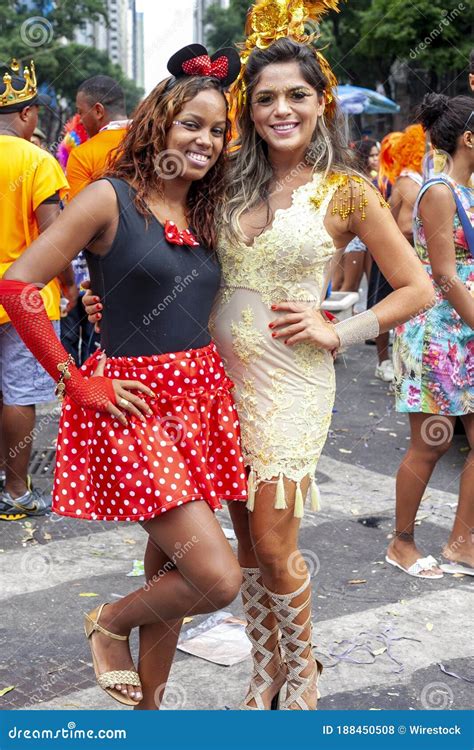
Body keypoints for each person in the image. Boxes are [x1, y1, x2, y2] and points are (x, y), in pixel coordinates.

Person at [85, 1, 432, 711]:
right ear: (251, 107)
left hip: (292, 382)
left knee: (273, 543)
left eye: (297, 96)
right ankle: (263, 670)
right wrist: (106, 306)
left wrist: (343, 329)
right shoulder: (224, 180)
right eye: (267, 96)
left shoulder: (348, 190)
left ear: (319, 102)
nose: (282, 109)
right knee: (242, 548)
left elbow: (418, 286)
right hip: (211, 383)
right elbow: (156, 239)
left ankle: (301, 670)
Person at [0, 44, 247, 707]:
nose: (207, 139)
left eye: (218, 129)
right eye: (192, 123)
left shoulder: (202, 209)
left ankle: (150, 709)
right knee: (216, 578)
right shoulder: (108, 197)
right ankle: (108, 624)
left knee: (171, 565)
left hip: (202, 403)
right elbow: (19, 285)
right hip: (135, 407)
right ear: (158, 125)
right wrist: (75, 380)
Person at [389, 93, 474, 579]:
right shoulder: (439, 192)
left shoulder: (468, 190)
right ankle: (401, 541)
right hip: (437, 330)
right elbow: (443, 275)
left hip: (466, 327)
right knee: (433, 442)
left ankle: (461, 543)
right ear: (468, 139)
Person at [0, 58, 75, 518]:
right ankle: (15, 492)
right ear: (28, 114)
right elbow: (55, 241)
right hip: (24, 301)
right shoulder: (36, 160)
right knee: (19, 395)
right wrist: (68, 286)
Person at [61, 77, 129, 366]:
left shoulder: (84, 155)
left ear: (98, 111)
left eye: (81, 111)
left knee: (107, 355)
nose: (79, 119)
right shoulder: (157, 140)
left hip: (108, 273)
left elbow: (80, 225)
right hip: (166, 263)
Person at [367, 125, 425, 383]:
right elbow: (404, 227)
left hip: (390, 254)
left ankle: (390, 362)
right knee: (388, 309)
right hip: (396, 256)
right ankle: (386, 362)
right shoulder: (412, 182)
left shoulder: (408, 178)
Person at [332, 139, 378, 293]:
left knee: (360, 282)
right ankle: (333, 315)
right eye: (372, 155)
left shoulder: (375, 178)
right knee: (346, 285)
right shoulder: (355, 180)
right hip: (354, 239)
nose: (376, 159)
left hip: (365, 238)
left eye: (377, 155)